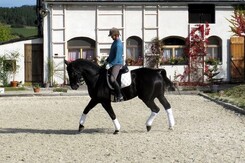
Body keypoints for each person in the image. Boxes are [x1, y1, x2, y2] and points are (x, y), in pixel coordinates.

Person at [105, 27, 124, 102]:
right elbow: (111, 54)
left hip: (117, 64)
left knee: (112, 79)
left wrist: (110, 64)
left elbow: (117, 57)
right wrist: (106, 61)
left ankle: (120, 95)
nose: (111, 37)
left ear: (116, 35)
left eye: (112, 36)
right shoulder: (114, 42)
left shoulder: (118, 44)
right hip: (111, 62)